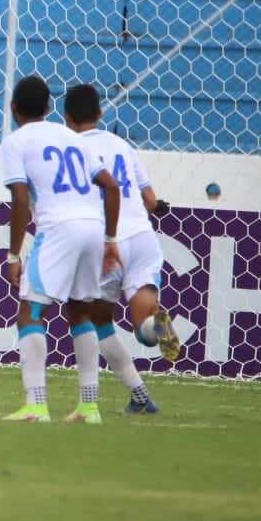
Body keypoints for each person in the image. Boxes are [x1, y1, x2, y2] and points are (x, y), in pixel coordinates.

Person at [0, 75, 123, 423]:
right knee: (80, 313)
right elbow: (111, 187)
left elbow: (21, 199)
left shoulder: (16, 142)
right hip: (94, 228)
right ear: (50, 108)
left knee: (30, 313)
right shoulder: (73, 137)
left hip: (58, 229)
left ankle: (37, 405)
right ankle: (89, 406)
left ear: (13, 109)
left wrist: (13, 255)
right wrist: (111, 240)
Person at [65, 83, 181, 416]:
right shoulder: (122, 145)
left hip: (106, 241)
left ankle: (133, 395)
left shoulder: (70, 147)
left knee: (94, 320)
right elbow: (150, 199)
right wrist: (158, 207)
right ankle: (152, 332)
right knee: (143, 327)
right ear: (100, 114)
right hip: (142, 237)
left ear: (67, 117)